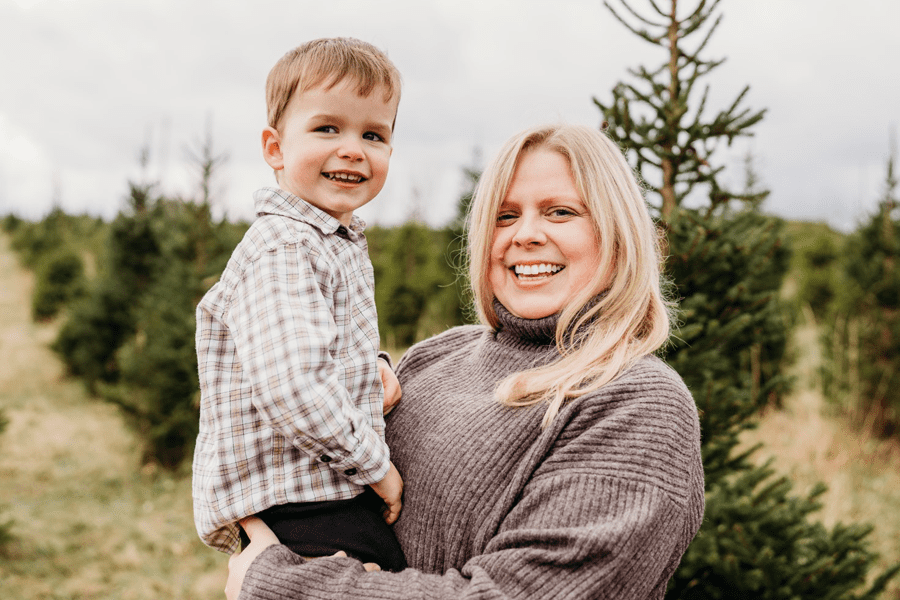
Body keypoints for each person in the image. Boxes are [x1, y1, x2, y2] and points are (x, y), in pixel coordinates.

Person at [226, 123, 705, 599]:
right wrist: (346, 380)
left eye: (560, 212)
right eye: (505, 216)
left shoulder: (639, 405)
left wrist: (278, 584)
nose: (526, 235)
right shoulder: (438, 356)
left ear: (618, 235)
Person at [192, 37, 407, 571]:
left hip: (315, 497)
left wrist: (372, 369)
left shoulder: (329, 240)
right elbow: (293, 384)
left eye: (373, 134)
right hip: (301, 503)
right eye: (327, 128)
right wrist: (377, 466)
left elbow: (315, 346)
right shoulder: (286, 245)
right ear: (275, 148)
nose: (353, 148)